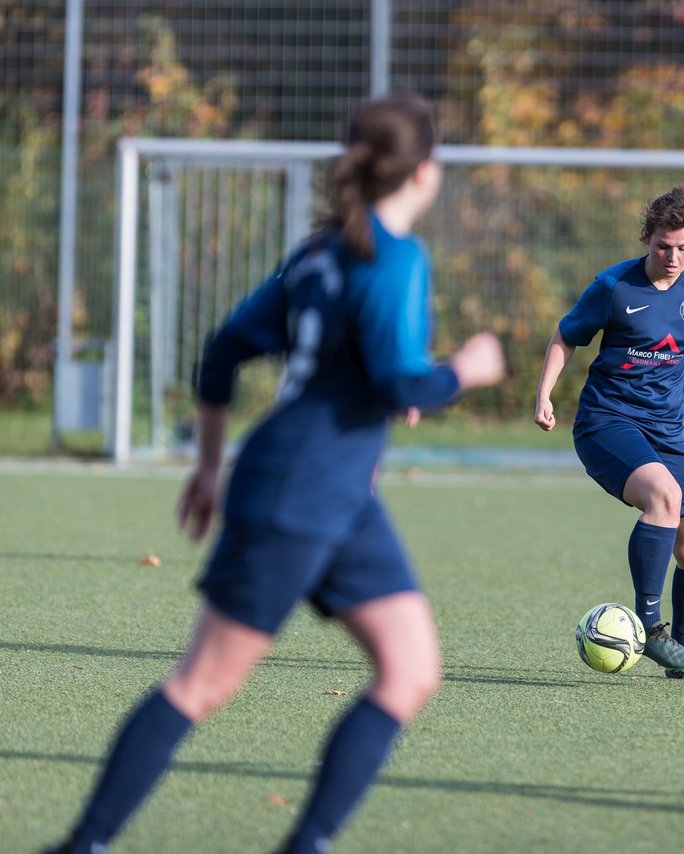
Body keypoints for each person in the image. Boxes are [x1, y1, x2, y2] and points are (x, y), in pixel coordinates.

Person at [48, 93, 504, 854]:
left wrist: (207, 466)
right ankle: (83, 845)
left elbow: (225, 350)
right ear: (427, 170)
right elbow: (399, 383)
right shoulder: (394, 256)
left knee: (412, 669)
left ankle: (307, 844)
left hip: (339, 497)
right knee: (200, 686)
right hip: (299, 493)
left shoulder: (321, 252)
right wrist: (463, 371)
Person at [533, 184, 684, 683]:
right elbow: (565, 336)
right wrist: (544, 394)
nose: (674, 257)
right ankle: (650, 626)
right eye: (663, 246)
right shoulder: (614, 287)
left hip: (665, 430)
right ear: (647, 238)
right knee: (664, 494)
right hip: (606, 423)